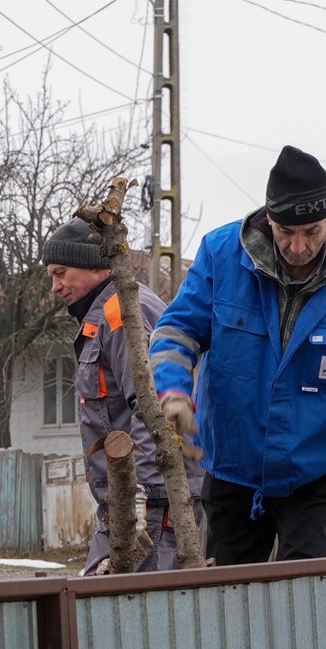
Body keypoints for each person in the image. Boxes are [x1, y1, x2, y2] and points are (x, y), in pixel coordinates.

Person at [149, 144, 326, 565]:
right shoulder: (221, 257)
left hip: (313, 475)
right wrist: (172, 392)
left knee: (303, 595)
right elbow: (177, 331)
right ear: (268, 218)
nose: (298, 247)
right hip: (232, 469)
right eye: (285, 231)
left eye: (311, 232)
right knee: (228, 594)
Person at [44, 220, 204, 574]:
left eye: (60, 273)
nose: (55, 286)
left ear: (92, 264)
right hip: (128, 502)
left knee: (133, 603)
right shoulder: (103, 315)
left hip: (151, 503)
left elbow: (152, 408)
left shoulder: (122, 314)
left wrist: (139, 494)